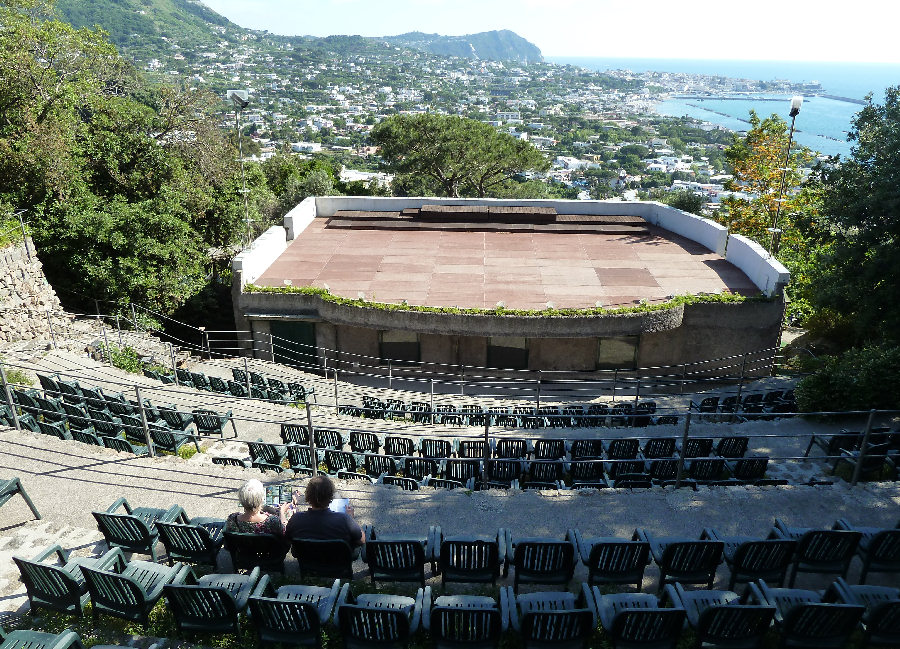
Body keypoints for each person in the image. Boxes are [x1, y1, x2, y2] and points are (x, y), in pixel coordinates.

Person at [284, 475, 365, 550]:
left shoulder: (296, 519)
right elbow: (362, 540)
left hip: (307, 563)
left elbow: (287, 539)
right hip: (338, 563)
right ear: (330, 497)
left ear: (308, 496)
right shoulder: (344, 519)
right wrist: (351, 518)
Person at [224, 479, 290, 535]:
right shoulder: (272, 521)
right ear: (261, 500)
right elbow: (285, 531)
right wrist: (282, 512)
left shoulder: (232, 519)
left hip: (242, 549)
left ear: (241, 501)